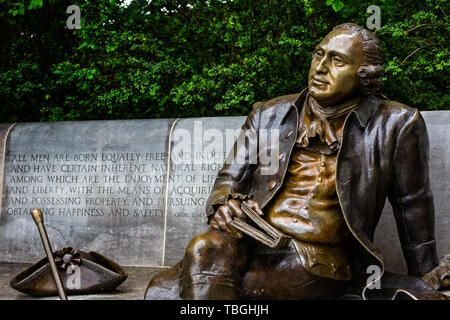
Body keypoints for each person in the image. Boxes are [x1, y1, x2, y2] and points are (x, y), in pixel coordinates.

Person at [146, 23, 447, 300]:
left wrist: (424, 273)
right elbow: (228, 178)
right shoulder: (268, 114)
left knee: (228, 289)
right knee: (203, 248)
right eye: (319, 54)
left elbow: (412, 205)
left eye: (337, 61)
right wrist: (224, 203)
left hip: (320, 259)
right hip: (250, 239)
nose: (320, 68)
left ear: (364, 74)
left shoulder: (396, 124)